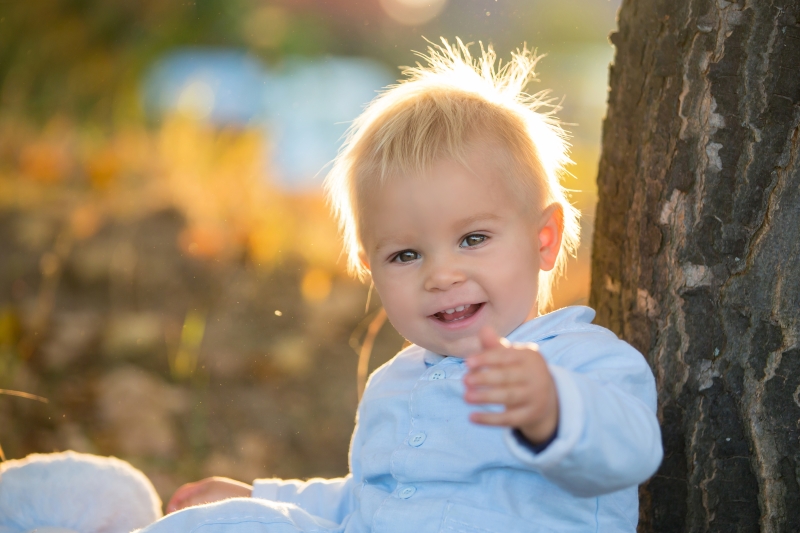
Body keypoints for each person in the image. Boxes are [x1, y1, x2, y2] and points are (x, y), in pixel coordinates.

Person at [156, 38, 663, 532]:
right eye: (406, 255)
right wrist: (259, 497)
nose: (441, 275)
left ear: (543, 239)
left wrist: (554, 408)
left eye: (473, 238)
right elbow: (367, 499)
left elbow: (634, 451)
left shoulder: (579, 358)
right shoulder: (395, 383)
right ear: (368, 268)